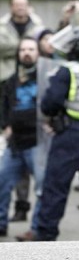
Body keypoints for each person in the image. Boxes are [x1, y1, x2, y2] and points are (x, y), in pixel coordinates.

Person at [25, 26, 79, 242]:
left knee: (56, 185)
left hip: (71, 133)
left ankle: (46, 233)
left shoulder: (68, 70)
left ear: (78, 48)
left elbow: (49, 104)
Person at [0, 38, 44, 237]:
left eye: (31, 49)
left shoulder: (46, 76)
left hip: (37, 142)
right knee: (2, 182)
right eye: (23, 49)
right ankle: (1, 224)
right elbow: (4, 105)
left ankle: (36, 228)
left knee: (42, 187)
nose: (26, 53)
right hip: (15, 143)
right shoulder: (11, 80)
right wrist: (5, 126)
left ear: (38, 53)